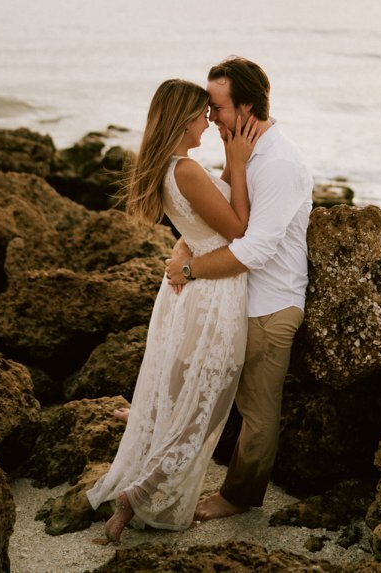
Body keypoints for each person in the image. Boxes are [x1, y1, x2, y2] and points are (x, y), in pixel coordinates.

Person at [88, 79, 264, 543]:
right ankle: (138, 494)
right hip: (214, 292)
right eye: (202, 112)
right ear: (183, 118)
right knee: (200, 407)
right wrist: (241, 163)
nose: (208, 119)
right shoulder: (185, 169)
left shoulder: (170, 168)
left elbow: (203, 218)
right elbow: (240, 228)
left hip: (192, 289)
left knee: (183, 395)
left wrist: (229, 163)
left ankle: (139, 486)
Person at [163, 56, 314, 523]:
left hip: (270, 305)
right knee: (194, 372)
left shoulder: (280, 165)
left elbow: (255, 248)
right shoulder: (244, 155)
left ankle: (240, 495)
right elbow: (223, 213)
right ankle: (159, 433)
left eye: (217, 107)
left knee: (257, 408)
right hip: (237, 296)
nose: (209, 117)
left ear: (246, 108)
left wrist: (190, 271)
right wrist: (183, 246)